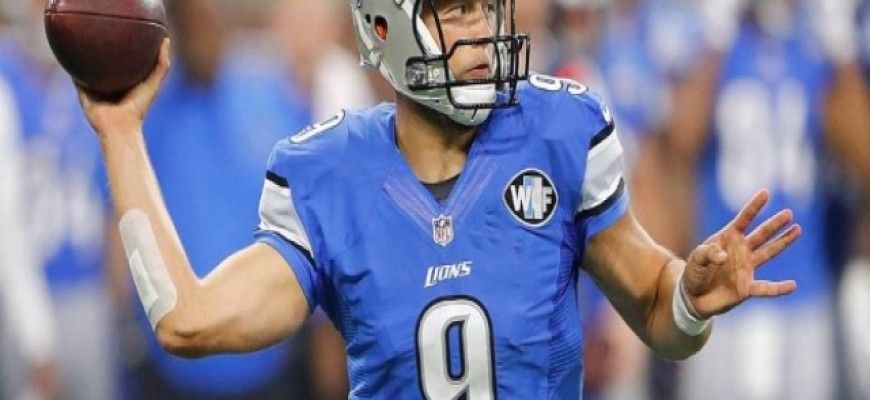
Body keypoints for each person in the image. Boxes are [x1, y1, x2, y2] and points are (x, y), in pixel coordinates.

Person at [75, 1, 803, 398]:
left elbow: (654, 309)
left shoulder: (559, 132)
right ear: (384, 27)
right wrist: (120, 133)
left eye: (488, 9)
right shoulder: (328, 175)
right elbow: (188, 322)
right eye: (456, 12)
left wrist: (688, 299)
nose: (482, 33)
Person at [668, 0, 870, 398]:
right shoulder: (716, 48)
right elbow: (680, 141)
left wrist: (842, 53)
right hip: (723, 292)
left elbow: (863, 156)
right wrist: (714, 43)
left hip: (803, 290)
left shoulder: (812, 48)